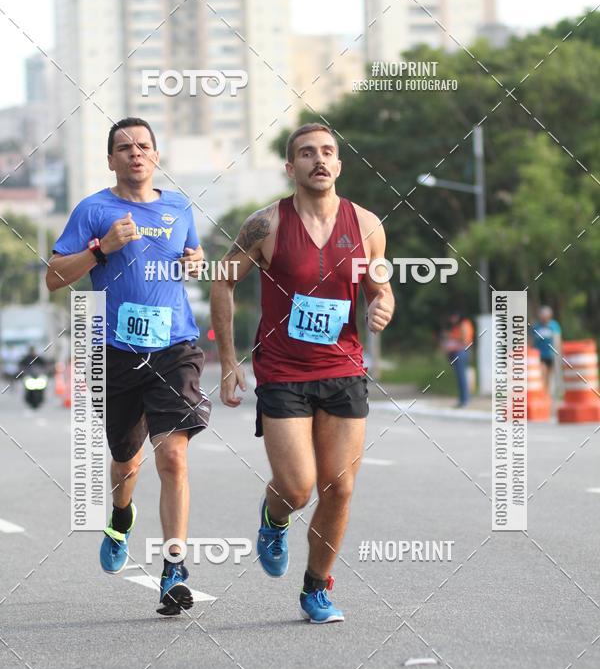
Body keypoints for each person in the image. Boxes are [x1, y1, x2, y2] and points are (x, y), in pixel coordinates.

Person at [210, 122, 394, 623]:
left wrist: (383, 304)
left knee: (340, 487)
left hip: (343, 368)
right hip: (283, 372)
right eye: (307, 153)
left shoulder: (367, 225)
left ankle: (317, 588)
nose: (319, 160)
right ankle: (275, 518)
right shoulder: (265, 225)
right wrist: (229, 362)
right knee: (296, 487)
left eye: (328, 152)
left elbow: (379, 282)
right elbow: (223, 284)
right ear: (291, 168)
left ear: (339, 165)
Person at [46, 117, 210, 615]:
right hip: (116, 352)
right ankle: (120, 516)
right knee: (126, 458)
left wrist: (197, 262)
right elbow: (54, 277)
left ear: (156, 155)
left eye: (143, 145)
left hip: (174, 347)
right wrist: (100, 248)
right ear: (111, 159)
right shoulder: (93, 209)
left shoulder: (180, 207)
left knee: (174, 457)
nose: (135, 153)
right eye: (124, 147)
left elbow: (191, 257)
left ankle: (174, 569)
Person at [441, 311, 475, 408]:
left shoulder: (464, 324)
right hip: (455, 353)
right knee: (460, 377)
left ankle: (465, 400)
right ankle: (463, 399)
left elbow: (465, 340)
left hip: (461, 352)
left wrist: (451, 340)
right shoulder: (456, 326)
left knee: (462, 377)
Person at [531, 305, 561, 394]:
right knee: (542, 373)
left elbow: (558, 340)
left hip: (551, 355)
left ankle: (547, 394)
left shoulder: (554, 326)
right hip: (540, 356)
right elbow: (531, 341)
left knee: (549, 376)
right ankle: (543, 393)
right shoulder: (536, 327)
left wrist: (559, 353)